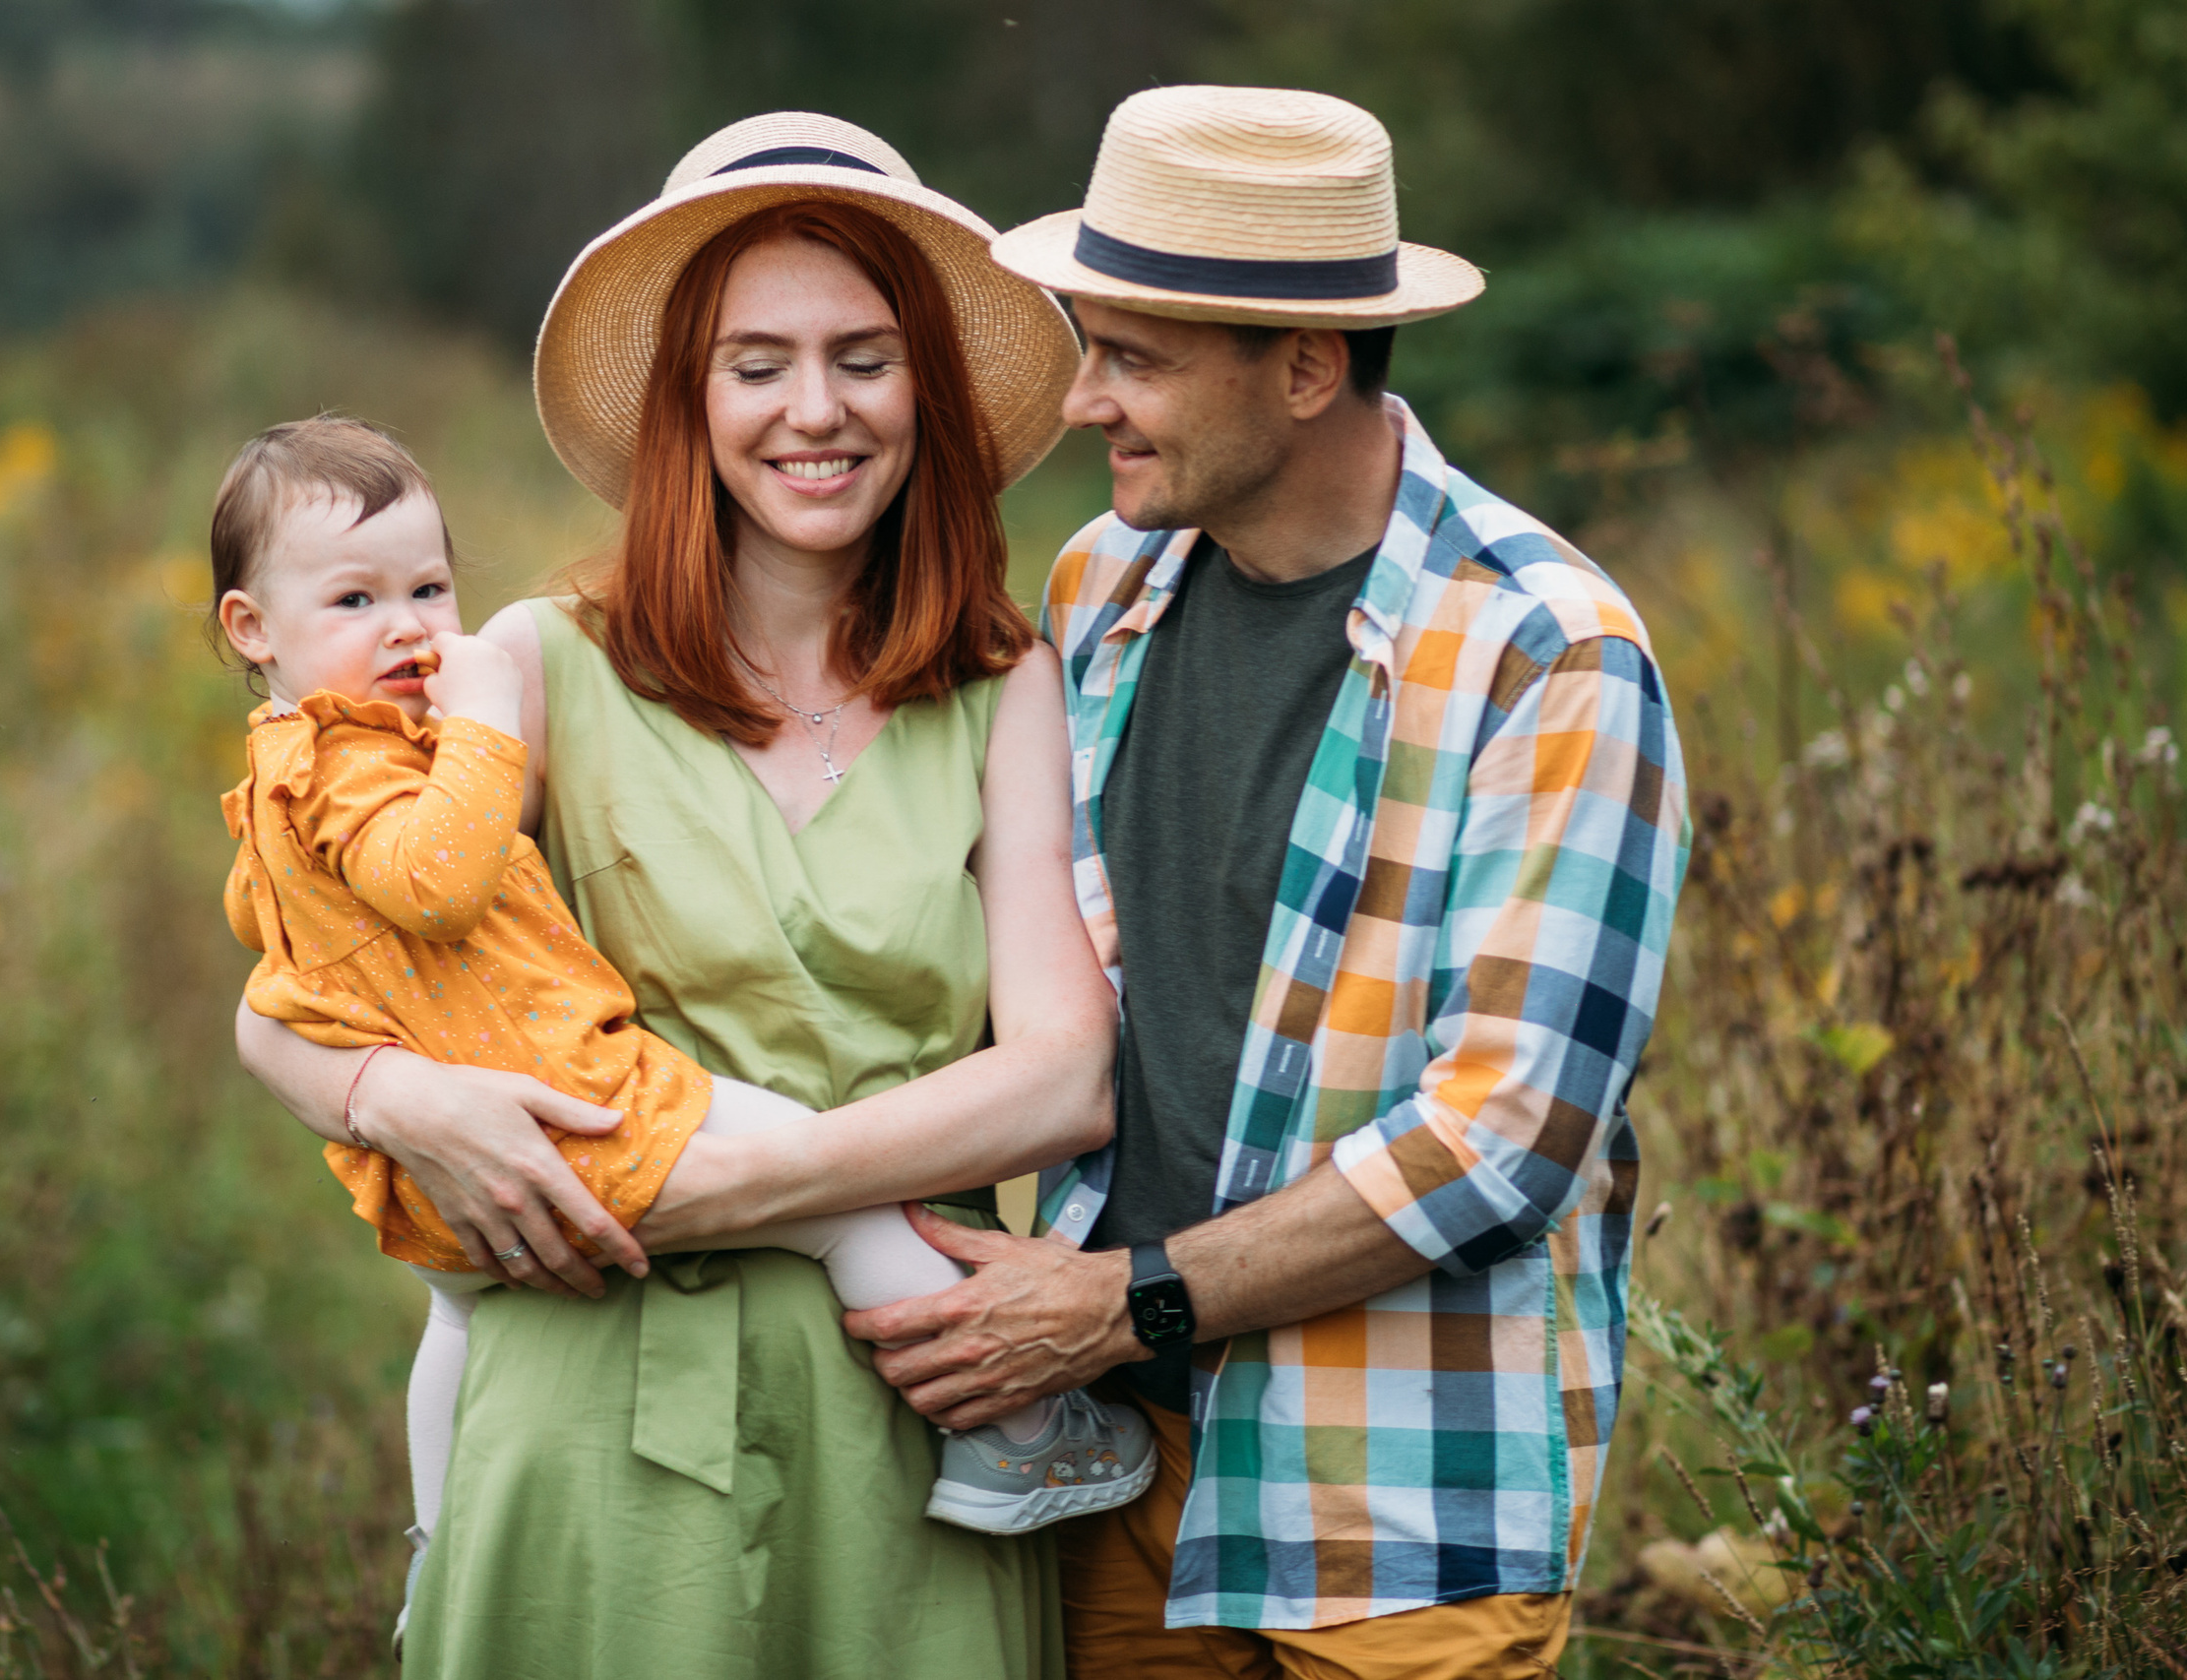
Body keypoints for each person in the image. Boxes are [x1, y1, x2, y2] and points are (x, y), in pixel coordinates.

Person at [234, 113, 1116, 1680]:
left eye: (864, 356)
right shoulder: (532, 661)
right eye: (755, 363)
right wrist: (397, 1101)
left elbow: (1061, 1076)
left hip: (912, 1420)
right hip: (595, 1401)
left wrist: (745, 1189)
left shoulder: (1001, 683)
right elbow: (313, 969)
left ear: (929, 389)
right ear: (686, 404)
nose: (815, 411)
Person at [844, 86, 1692, 1679]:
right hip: (1107, 1467)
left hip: (1400, 1504)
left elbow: (1501, 1136)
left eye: (1136, 358)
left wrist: (1130, 1304)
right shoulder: (1101, 589)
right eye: (1090, 345)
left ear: (1307, 367)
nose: (1087, 400)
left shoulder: (1550, 652)